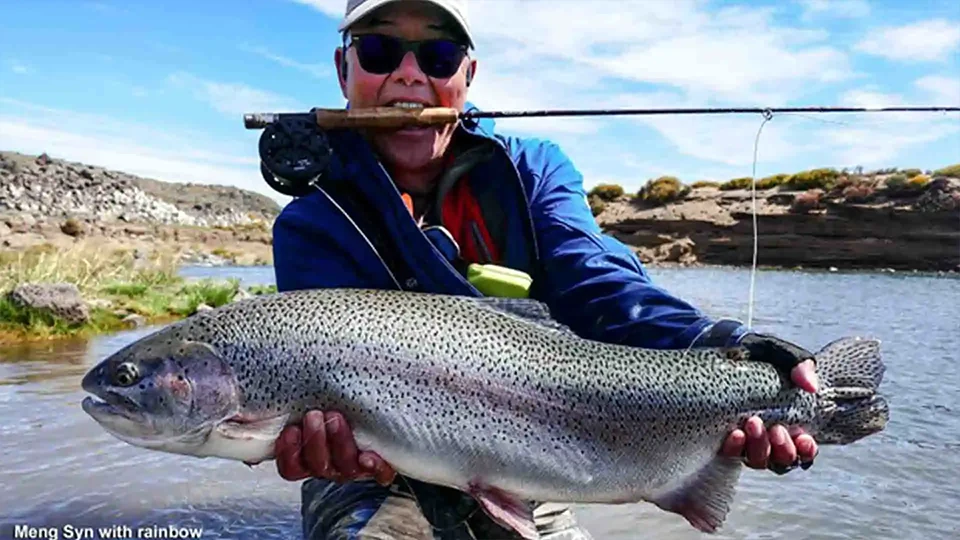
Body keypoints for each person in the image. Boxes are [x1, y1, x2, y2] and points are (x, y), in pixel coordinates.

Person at [268, 0, 820, 538]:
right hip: (378, 479)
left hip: (530, 460)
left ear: (467, 73)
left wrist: (715, 341)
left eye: (437, 56)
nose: (410, 75)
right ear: (344, 69)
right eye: (380, 51)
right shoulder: (312, 223)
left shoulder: (532, 170)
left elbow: (599, 281)